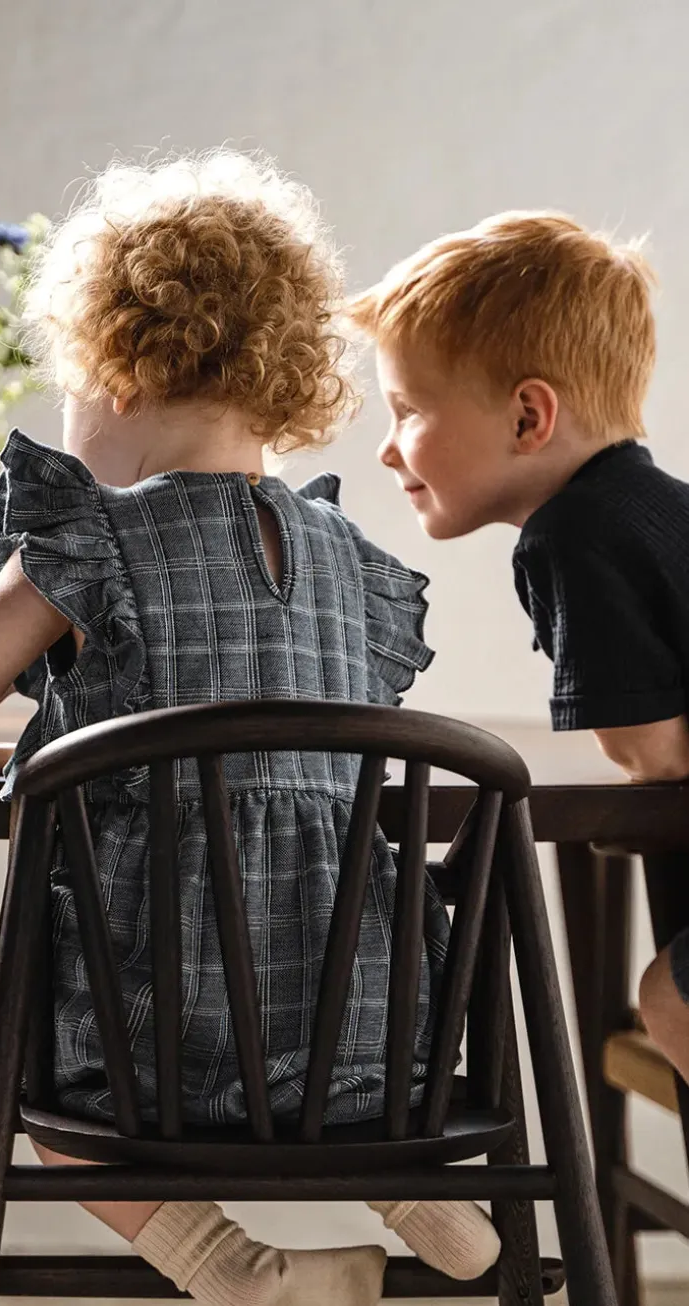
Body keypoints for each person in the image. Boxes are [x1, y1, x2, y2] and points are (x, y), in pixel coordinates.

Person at [0, 151, 500, 1306]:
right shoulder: (353, 566)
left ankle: (230, 1264)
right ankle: (424, 1197)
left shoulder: (97, 540)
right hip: (366, 1040)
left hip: (151, 1042)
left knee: (52, 1111)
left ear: (117, 371)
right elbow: (281, 743)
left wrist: (51, 535)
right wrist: (72, 740)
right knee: (336, 1011)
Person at [348, 209, 689, 1092]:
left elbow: (650, 747)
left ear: (529, 416)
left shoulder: (572, 534)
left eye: (408, 410)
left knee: (673, 1001)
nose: (388, 449)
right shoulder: (653, 509)